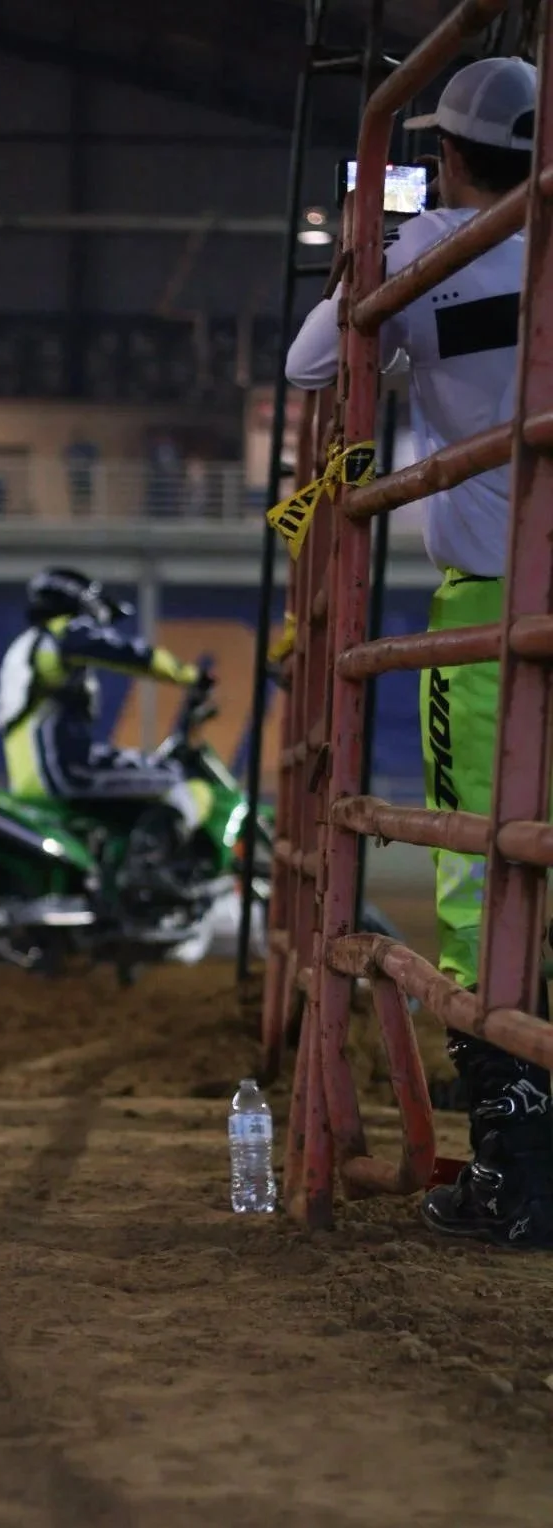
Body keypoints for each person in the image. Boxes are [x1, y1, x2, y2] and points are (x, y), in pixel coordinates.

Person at [286, 55, 553, 1249]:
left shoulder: (432, 254)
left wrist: (386, 261)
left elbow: (309, 364)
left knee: (476, 866)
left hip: (493, 603)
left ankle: (516, 1168)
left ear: (444, 154)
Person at [0, 567, 212, 866]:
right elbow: (128, 654)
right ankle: (150, 869)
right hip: (65, 773)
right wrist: (190, 675)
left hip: (29, 779)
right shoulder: (64, 634)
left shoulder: (25, 647)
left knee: (129, 777)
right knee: (178, 780)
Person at [63, 433, 99, 515]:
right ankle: (76, 512)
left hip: (85, 476)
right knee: (76, 495)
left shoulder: (87, 448)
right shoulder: (72, 449)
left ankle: (87, 512)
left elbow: (95, 456)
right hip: (76, 476)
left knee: (86, 495)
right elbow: (65, 458)